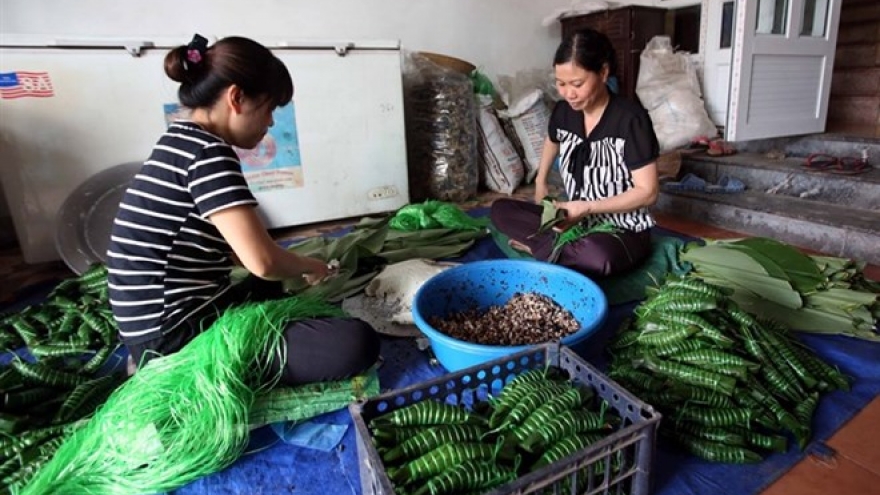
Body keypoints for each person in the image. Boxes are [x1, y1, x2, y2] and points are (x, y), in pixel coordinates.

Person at [106, 34, 380, 384]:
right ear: (236, 98)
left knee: (269, 290)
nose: (269, 124)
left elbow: (233, 249)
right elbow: (263, 263)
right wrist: (312, 266)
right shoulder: (210, 155)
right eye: (269, 110)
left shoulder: (178, 141)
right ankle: (191, 372)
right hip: (173, 337)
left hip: (150, 328)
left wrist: (285, 267)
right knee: (355, 342)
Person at [490, 28, 660, 277]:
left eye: (577, 84)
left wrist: (587, 207)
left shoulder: (630, 119)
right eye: (561, 84)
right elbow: (552, 139)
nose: (568, 93)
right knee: (501, 210)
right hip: (575, 220)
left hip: (622, 228)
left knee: (598, 257)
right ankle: (556, 250)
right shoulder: (564, 112)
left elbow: (648, 193)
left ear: (603, 73)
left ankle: (542, 247)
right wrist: (540, 180)